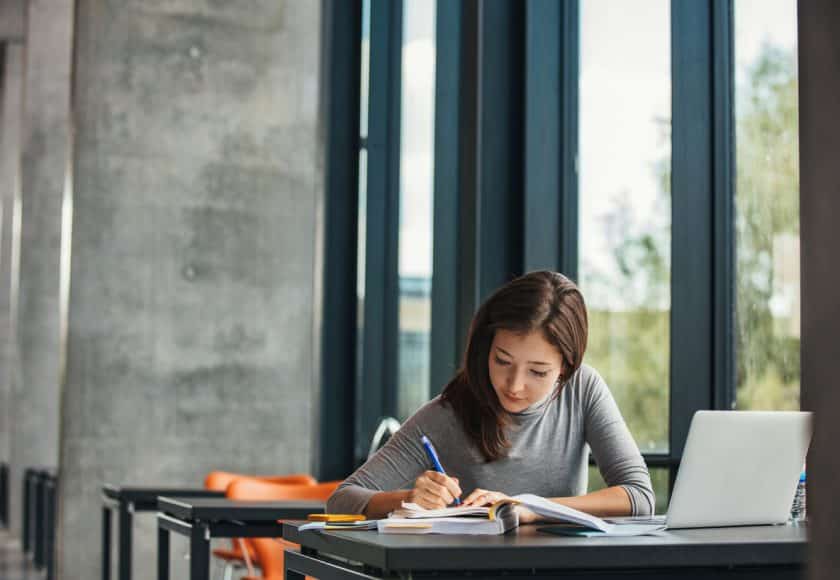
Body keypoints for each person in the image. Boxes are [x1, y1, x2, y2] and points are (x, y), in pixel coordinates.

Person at [328, 271, 654, 522]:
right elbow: (340, 500)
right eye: (502, 361)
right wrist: (408, 499)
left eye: (538, 372)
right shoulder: (449, 413)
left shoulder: (583, 389)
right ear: (486, 348)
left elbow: (638, 496)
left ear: (566, 368)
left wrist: (529, 508)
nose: (514, 385)